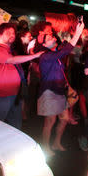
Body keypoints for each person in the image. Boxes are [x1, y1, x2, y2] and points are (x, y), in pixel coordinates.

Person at [36, 21, 84, 156]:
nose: (53, 38)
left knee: (64, 118)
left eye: (52, 37)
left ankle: (56, 142)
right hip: (48, 93)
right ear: (44, 45)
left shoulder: (55, 55)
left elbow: (61, 69)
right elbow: (66, 50)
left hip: (59, 91)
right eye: (49, 38)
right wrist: (78, 33)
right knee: (50, 121)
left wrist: (67, 86)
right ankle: (45, 147)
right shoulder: (46, 56)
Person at [0, 23, 43, 129]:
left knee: (15, 126)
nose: (12, 35)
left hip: (14, 94)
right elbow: (11, 60)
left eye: (13, 33)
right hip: (1, 95)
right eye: (8, 33)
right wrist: (35, 55)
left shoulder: (9, 50)